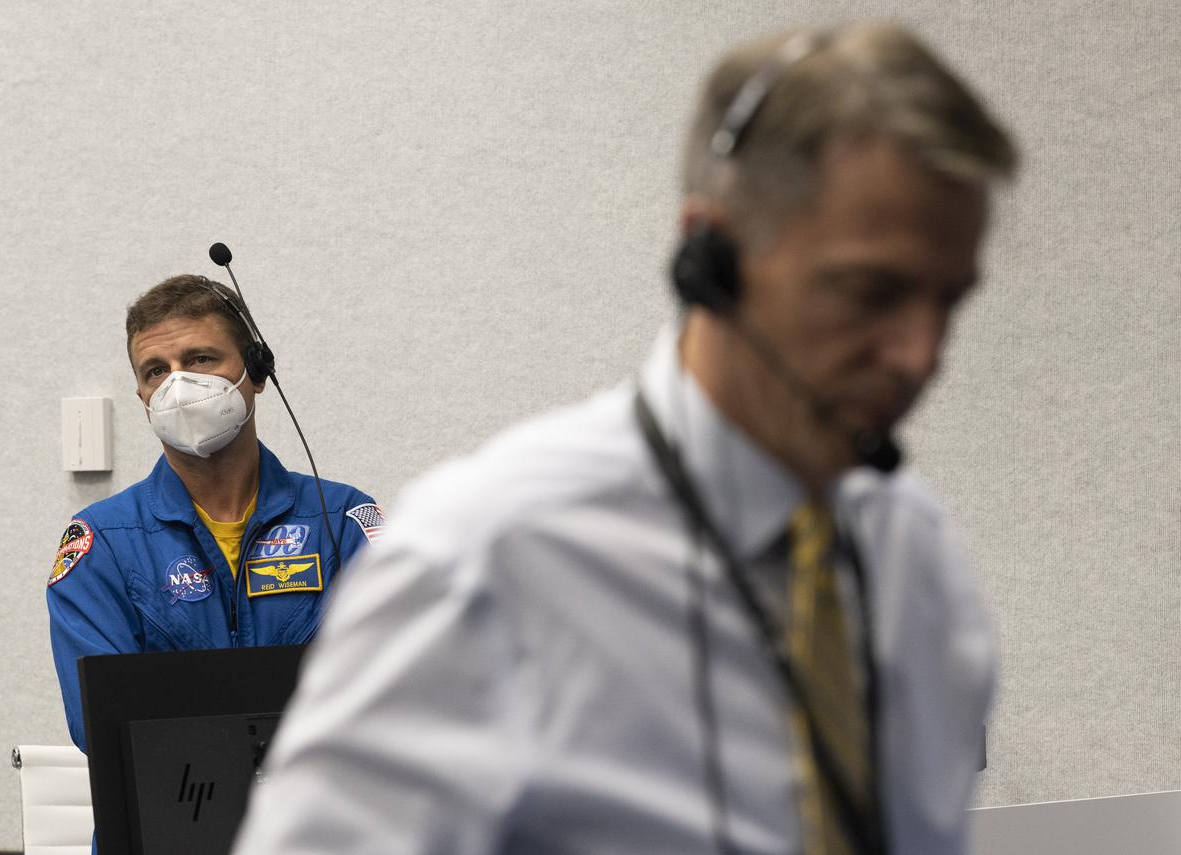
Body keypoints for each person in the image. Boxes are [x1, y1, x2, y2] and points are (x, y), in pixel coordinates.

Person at [234, 22, 1016, 855]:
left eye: (949, 301)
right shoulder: (483, 562)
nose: (921, 356)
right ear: (710, 256)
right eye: (870, 291)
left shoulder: (914, 557)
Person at [46, 275, 383, 753]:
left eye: (201, 359)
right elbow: (100, 724)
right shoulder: (103, 542)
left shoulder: (342, 521)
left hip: (323, 795)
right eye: (156, 371)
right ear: (142, 398)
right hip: (174, 798)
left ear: (257, 372)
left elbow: (397, 689)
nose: (178, 385)